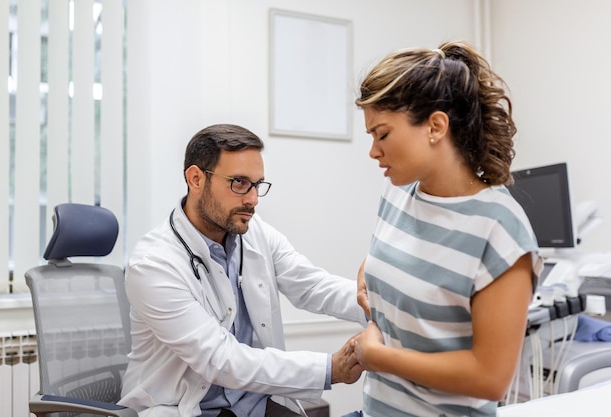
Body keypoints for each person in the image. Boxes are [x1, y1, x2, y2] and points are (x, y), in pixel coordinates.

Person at [346, 41, 543, 417]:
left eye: (382, 134)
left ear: (436, 126)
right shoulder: (397, 193)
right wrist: (367, 274)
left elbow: (489, 378)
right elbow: (406, 260)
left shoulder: (500, 230)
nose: (373, 151)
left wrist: (379, 356)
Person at [119, 124, 367, 417]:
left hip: (254, 404)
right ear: (196, 178)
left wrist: (382, 306)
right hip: (187, 409)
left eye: (257, 184)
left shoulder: (254, 233)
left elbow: (312, 286)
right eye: (239, 183)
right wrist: (330, 368)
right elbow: (221, 359)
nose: (253, 199)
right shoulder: (154, 264)